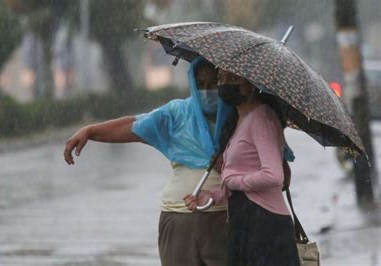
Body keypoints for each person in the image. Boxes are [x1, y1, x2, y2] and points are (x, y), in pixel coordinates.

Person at [64, 57, 233, 266]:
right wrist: (90, 131)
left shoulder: (239, 115)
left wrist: (230, 165)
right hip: (178, 217)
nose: (207, 91)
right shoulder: (176, 114)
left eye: (213, 84)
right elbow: (134, 126)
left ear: (224, 82)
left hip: (224, 218)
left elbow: (267, 165)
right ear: (191, 84)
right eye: (200, 85)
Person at [184, 70, 300, 266]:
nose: (224, 84)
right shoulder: (238, 121)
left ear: (252, 84)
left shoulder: (262, 118)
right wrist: (212, 196)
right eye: (221, 78)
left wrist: (234, 181)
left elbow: (273, 176)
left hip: (265, 224)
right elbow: (240, 172)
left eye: (233, 79)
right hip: (244, 222)